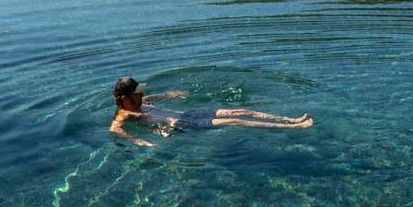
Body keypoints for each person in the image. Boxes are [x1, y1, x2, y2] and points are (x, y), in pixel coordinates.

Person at [109, 76, 313, 147]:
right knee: (235, 122)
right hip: (186, 125)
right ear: (125, 98)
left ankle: (290, 119)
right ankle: (295, 128)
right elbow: (115, 130)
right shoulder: (125, 114)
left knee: (238, 111)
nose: (142, 95)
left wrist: (173, 94)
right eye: (137, 93)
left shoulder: (144, 103)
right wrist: (141, 142)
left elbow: (156, 97)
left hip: (189, 115)